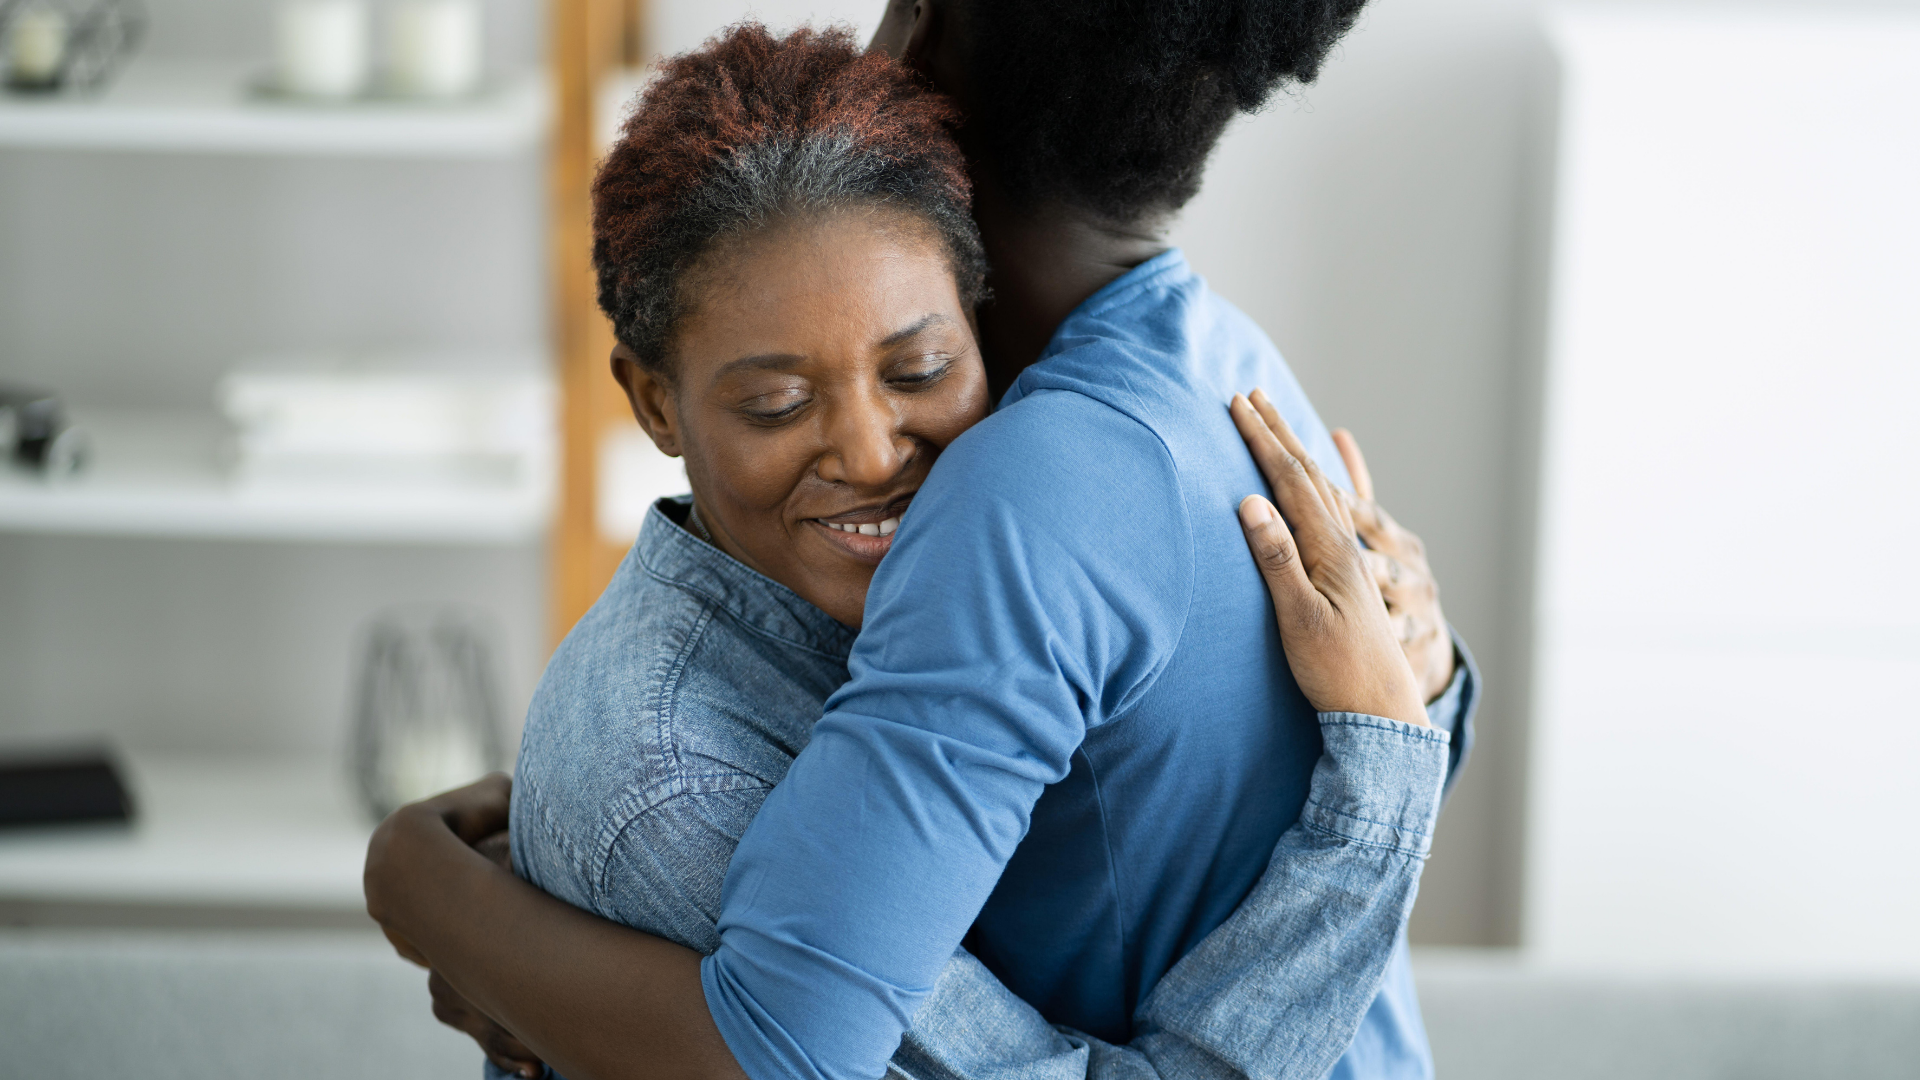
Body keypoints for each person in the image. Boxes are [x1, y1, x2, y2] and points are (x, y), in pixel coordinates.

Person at [368, 3, 1479, 1078]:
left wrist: (428, 895)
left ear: (922, 29)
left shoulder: (1024, 491)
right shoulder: (1219, 352)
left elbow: (776, 1049)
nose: (865, 446)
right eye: (775, 401)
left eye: (914, 370)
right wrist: (1422, 697)